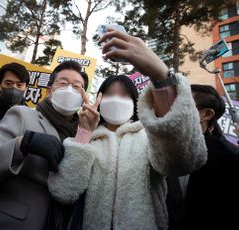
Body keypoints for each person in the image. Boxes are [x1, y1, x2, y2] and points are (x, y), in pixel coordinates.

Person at [47, 29, 207, 229]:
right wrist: (83, 134)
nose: (116, 99)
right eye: (109, 94)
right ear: (98, 100)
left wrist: (161, 76)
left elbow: (184, 160)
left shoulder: (149, 136)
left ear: (135, 102)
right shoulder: (88, 140)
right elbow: (64, 191)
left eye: (124, 95)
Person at [0, 60, 89, 230]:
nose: (69, 89)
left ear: (84, 96)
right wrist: (23, 144)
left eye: (77, 86)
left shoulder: (83, 133)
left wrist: (86, 131)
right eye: (63, 83)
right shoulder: (23, 115)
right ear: (49, 91)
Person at [166, 84, 239, 229]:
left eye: (182, 104)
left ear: (206, 115)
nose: (171, 110)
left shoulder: (229, 159)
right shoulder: (160, 148)